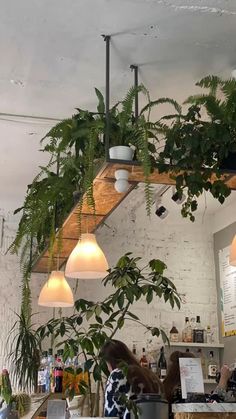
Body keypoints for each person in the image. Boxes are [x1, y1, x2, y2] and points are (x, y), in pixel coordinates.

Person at [100, 339, 162, 419]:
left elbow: (111, 415)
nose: (108, 369)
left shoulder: (118, 375)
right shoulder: (151, 375)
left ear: (110, 362)